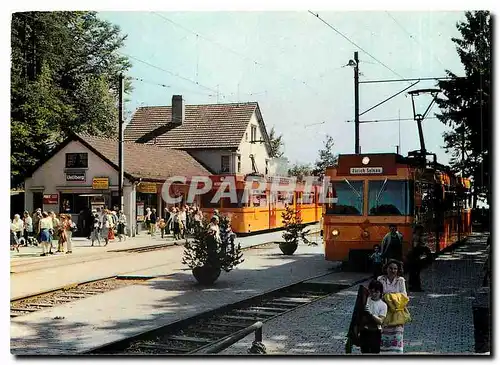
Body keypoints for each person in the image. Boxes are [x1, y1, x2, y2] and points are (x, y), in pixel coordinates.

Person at [377, 259, 408, 354]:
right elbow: (378, 294)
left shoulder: (400, 280)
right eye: (391, 268)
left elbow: (404, 296)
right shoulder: (380, 279)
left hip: (396, 312)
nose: (393, 270)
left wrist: (389, 297)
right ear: (386, 268)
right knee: (383, 335)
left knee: (396, 336)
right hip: (383, 312)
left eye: (395, 269)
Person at [360, 280, 387, 354]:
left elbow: (380, 321)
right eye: (372, 292)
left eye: (376, 292)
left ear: (380, 292)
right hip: (364, 331)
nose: (374, 294)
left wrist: (370, 314)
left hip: (375, 332)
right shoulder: (365, 301)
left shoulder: (383, 305)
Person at [407, 224, 432, 292]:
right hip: (414, 258)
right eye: (421, 230)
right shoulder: (416, 237)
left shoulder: (414, 236)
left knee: (414, 273)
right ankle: (415, 287)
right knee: (415, 273)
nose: (422, 232)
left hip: (413, 257)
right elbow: (415, 247)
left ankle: (412, 286)